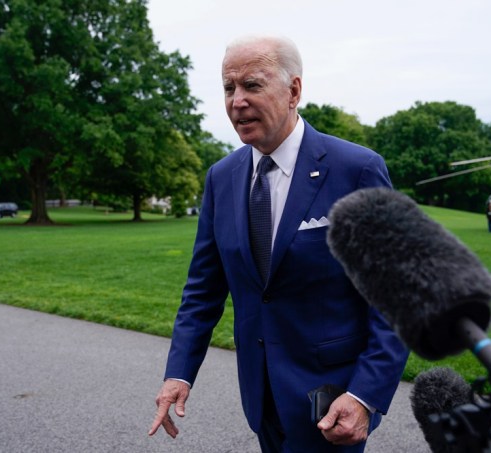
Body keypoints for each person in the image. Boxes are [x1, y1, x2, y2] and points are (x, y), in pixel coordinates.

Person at [148, 35, 408, 452]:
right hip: (260, 394)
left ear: (294, 91)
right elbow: (203, 290)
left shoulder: (355, 170)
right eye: (228, 88)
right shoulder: (221, 177)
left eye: (252, 85)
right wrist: (178, 374)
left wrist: (365, 397)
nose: (237, 101)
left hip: (332, 400)